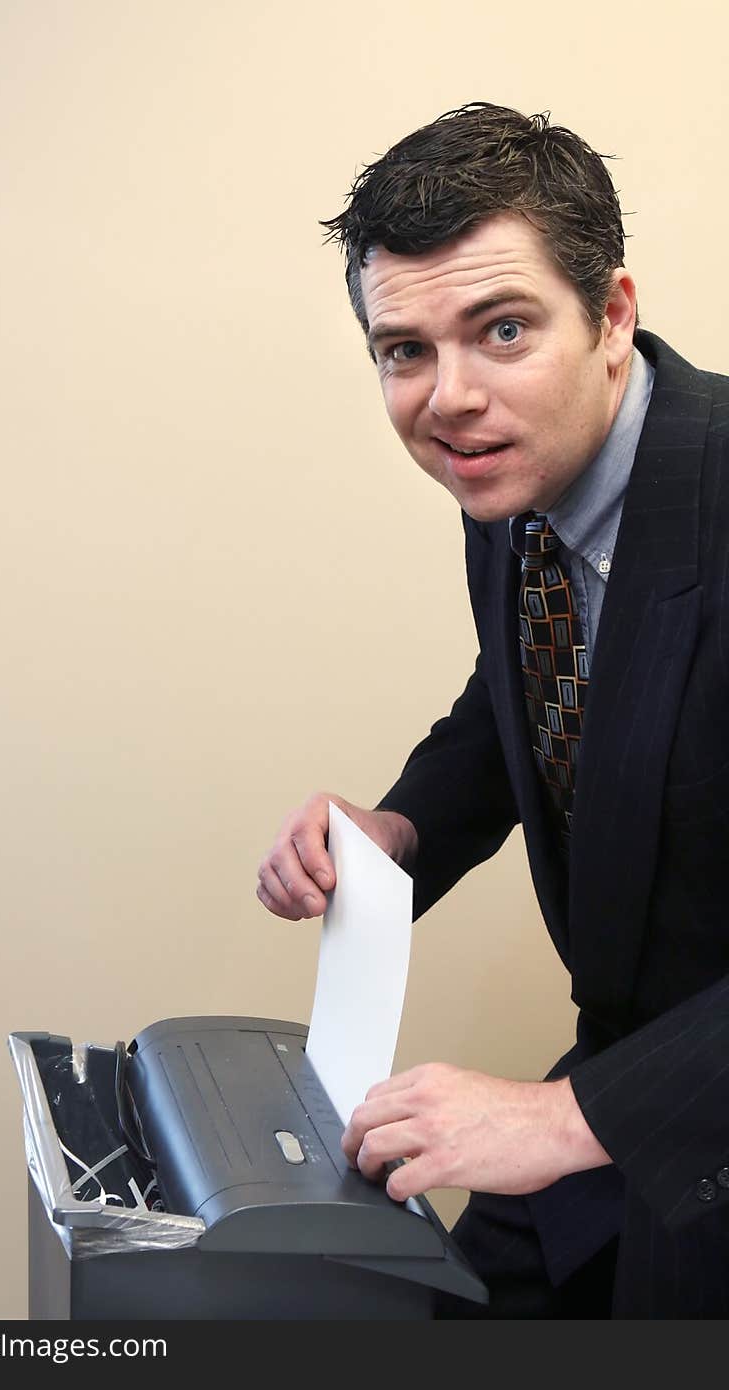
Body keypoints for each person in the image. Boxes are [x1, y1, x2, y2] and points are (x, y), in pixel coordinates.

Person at [256, 103, 729, 1318]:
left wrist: (567, 1115)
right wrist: (403, 830)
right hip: (627, 1078)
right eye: (403, 351)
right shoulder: (520, 479)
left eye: (501, 329)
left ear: (611, 315)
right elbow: (529, 676)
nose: (448, 399)